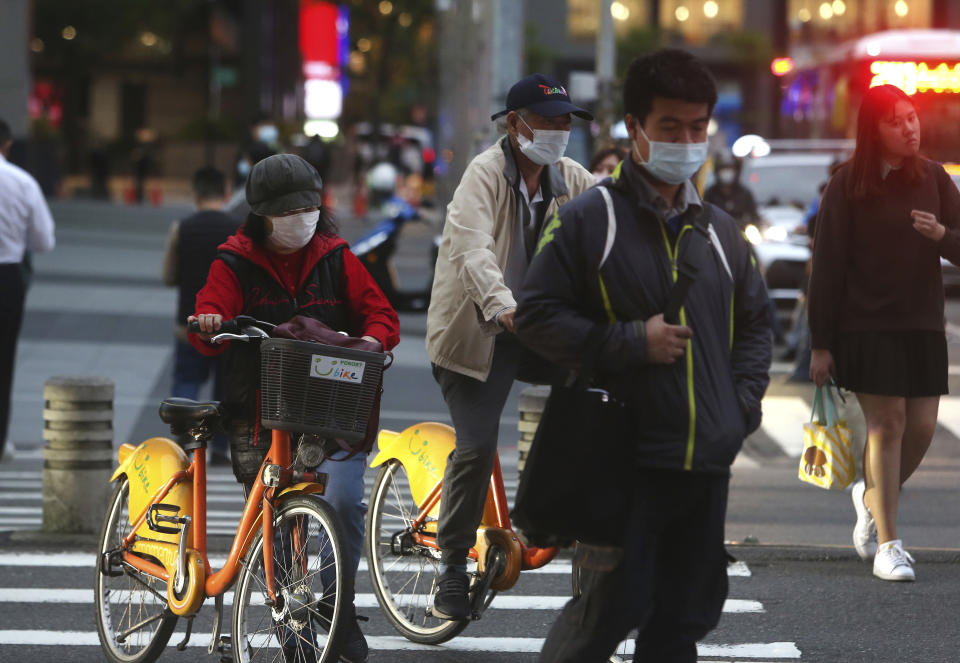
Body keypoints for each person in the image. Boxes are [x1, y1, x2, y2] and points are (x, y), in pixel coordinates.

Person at [514, 49, 772, 662]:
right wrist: (632, 342)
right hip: (622, 460)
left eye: (697, 127)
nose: (686, 141)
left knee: (684, 621)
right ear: (635, 128)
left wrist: (738, 410)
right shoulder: (588, 219)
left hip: (704, 464)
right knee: (605, 617)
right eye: (670, 127)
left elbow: (757, 324)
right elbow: (536, 317)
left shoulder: (722, 231)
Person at [189, 154, 399, 661]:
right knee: (275, 525)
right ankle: (290, 621)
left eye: (308, 207)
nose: (299, 218)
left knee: (345, 503)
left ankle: (338, 609)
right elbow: (207, 316)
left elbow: (381, 313)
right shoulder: (233, 260)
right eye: (286, 210)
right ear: (260, 213)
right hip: (259, 413)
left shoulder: (336, 257)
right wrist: (213, 321)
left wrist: (372, 341)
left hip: (332, 413)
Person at [425, 73, 596, 620]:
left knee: (594, 399)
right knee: (475, 447)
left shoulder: (571, 178)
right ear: (515, 125)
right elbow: (473, 248)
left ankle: (552, 509)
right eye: (547, 122)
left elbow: (614, 222)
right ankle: (452, 564)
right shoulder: (483, 175)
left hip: (541, 329)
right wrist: (503, 304)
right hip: (480, 331)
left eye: (566, 123)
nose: (558, 132)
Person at [808, 84, 960, 582]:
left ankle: (869, 493)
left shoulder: (935, 178)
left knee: (920, 429)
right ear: (874, 129)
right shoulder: (847, 183)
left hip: (922, 323)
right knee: (887, 424)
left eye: (912, 117)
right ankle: (889, 546)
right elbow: (826, 265)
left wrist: (942, 236)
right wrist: (821, 344)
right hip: (865, 324)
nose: (909, 127)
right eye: (895, 121)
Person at [161, 166, 239, 464]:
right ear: (226, 193)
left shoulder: (181, 228)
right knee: (225, 386)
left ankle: (183, 440)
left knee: (187, 379)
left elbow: (169, 276)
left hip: (189, 323)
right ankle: (220, 447)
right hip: (228, 326)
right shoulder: (237, 230)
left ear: (195, 194)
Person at [0, 119, 56, 460]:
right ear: (7, 145)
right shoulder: (21, 182)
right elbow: (43, 240)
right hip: (7, 276)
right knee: (3, 360)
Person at [703, 151, 758, 229]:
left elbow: (754, 216)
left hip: (742, 235)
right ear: (717, 171)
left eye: (730, 168)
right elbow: (704, 218)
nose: (727, 172)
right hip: (717, 235)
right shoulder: (710, 194)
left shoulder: (744, 193)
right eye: (723, 168)